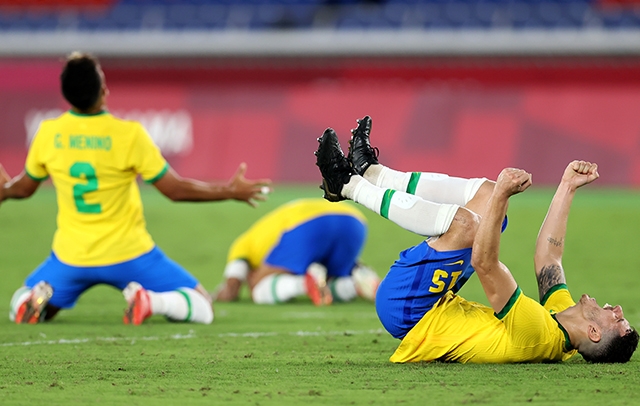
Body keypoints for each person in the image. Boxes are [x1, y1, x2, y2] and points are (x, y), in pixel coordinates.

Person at [314, 115, 638, 363]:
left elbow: (484, 264)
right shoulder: (561, 317)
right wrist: (567, 185)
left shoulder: (538, 334)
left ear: (594, 333)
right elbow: (548, 258)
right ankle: (373, 173)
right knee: (484, 195)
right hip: (432, 302)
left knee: (468, 224)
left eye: (619, 321)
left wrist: (503, 195)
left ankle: (345, 185)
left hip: (411, 311)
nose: (619, 309)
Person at [0, 52, 270, 326]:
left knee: (19, 303)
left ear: (66, 94)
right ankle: (151, 301)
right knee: (202, 305)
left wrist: (4, 190)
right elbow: (174, 190)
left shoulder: (48, 133)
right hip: (128, 254)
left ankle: (32, 300)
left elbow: (22, 188)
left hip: (71, 257)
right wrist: (230, 191)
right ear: (103, 90)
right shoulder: (128, 134)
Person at [215, 198, 380, 306]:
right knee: (331, 280)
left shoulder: (242, 246)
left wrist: (219, 295)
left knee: (258, 289)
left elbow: (231, 289)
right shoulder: (261, 232)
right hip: (353, 220)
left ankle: (304, 284)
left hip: (307, 224)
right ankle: (356, 283)